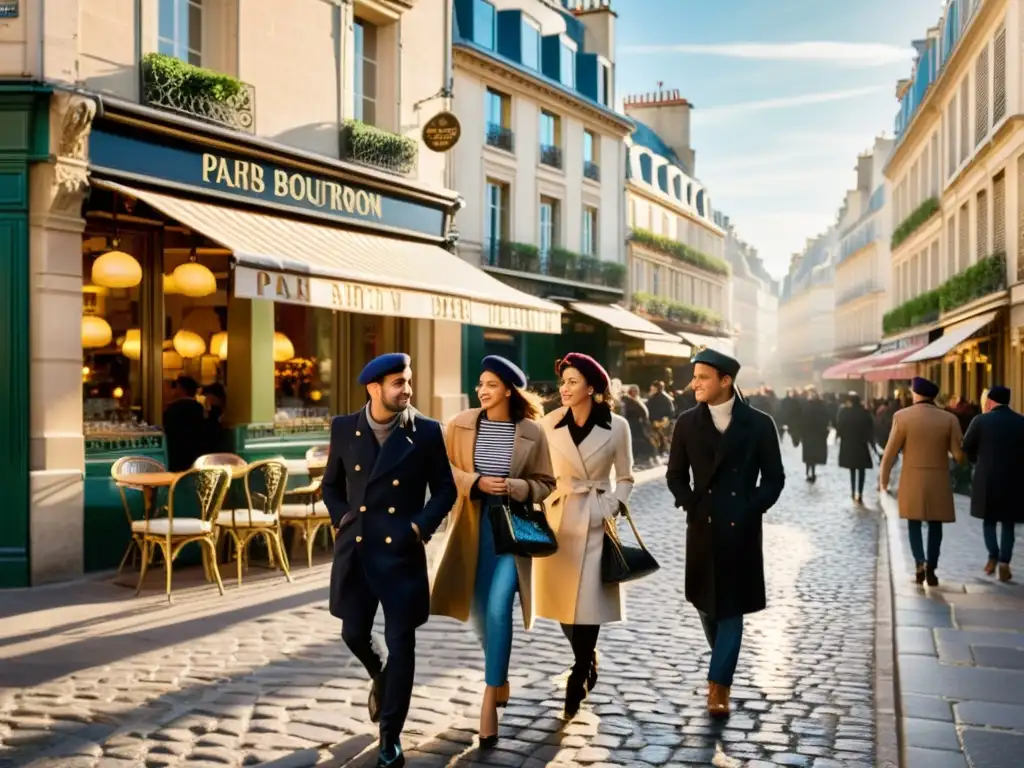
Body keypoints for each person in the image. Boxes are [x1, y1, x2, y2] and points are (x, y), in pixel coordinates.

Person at [321, 353, 457, 768]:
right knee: (353, 634)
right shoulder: (345, 427)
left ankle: (390, 737)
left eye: (408, 381)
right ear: (374, 388)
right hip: (358, 550)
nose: (407, 389)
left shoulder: (428, 431)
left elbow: (446, 492)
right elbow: (330, 485)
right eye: (399, 382)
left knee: (403, 644)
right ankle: (380, 675)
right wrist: (343, 516)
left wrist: (418, 527)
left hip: (400, 555)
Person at [430, 356, 556, 747]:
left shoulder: (532, 431)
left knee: (501, 605)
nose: (482, 390)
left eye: (490, 384)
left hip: (511, 533)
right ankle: (499, 676)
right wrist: (476, 481)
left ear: (508, 390)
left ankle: (488, 701)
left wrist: (518, 488)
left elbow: (546, 483)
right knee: (481, 615)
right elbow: (443, 470)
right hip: (471, 528)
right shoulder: (461, 423)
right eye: (480, 383)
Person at [666, 348, 785, 717]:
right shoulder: (686, 422)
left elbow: (775, 477)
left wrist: (752, 507)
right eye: (695, 376)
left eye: (702, 377)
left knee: (731, 609)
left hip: (741, 530)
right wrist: (690, 503)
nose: (694, 384)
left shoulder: (760, 423)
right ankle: (723, 662)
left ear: (725, 381)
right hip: (702, 527)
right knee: (706, 605)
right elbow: (674, 474)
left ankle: (719, 686)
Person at [533, 352, 635, 719]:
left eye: (573, 382)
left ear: (592, 388)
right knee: (562, 604)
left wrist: (608, 507)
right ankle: (586, 656)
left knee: (588, 602)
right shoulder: (548, 423)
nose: (564, 388)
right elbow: (541, 472)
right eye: (563, 382)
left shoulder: (617, 426)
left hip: (595, 520)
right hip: (558, 518)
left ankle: (578, 673)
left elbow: (625, 478)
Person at [880, 376, 965, 587]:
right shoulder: (949, 419)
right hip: (939, 479)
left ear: (915, 394)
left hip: (912, 478)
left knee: (913, 522)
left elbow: (889, 454)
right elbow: (959, 455)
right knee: (936, 525)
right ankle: (932, 568)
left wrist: (884, 480)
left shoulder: (902, 417)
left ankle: (919, 562)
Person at [961, 385, 1024, 582]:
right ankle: (1005, 562)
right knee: (1008, 522)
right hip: (1014, 479)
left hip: (986, 478)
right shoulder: (1020, 421)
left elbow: (966, 446)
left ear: (990, 401)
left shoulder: (981, 420)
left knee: (989, 521)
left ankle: (993, 556)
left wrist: (976, 460)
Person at [836, 392, 876, 505]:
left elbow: (840, 427)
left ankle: (853, 492)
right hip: (861, 444)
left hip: (849, 445)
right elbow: (870, 428)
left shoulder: (844, 412)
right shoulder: (864, 412)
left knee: (852, 470)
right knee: (861, 470)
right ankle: (860, 493)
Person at [162, 375, 207, 471]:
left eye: (175, 387)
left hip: (175, 452)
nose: (172, 390)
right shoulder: (200, 408)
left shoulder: (173, 409)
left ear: (182, 389)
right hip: (195, 454)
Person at [798, 388, 830, 482]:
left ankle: (810, 472)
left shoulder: (811, 405)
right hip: (811, 434)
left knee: (811, 456)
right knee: (810, 456)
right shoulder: (815, 405)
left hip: (813, 434)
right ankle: (809, 472)